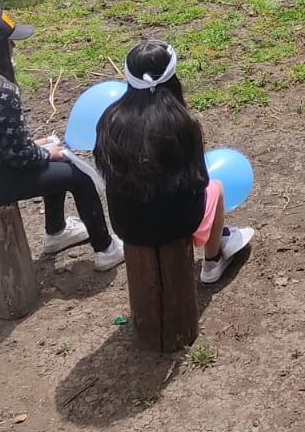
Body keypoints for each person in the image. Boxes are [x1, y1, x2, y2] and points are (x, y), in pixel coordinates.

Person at [0, 8, 123, 271]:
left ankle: (57, 232)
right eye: (10, 41)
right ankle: (106, 249)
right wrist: (47, 153)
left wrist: (40, 147)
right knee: (77, 176)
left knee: (53, 160)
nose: (14, 46)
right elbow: (23, 158)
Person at [94, 41, 254, 285]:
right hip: (177, 225)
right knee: (217, 188)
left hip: (125, 225)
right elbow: (200, 180)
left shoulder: (109, 119)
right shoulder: (182, 123)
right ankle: (212, 262)